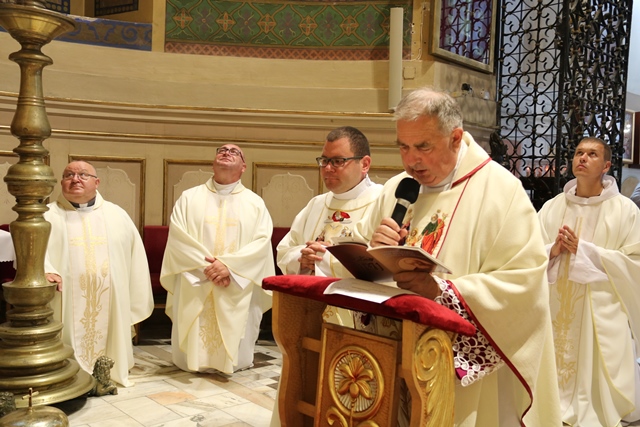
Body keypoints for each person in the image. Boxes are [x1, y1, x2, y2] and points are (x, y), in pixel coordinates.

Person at [355, 88, 561, 425]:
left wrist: (440, 291)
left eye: (423, 147)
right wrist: (375, 250)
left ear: (455, 138)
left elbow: (524, 284)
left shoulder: (500, 191)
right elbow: (364, 254)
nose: (411, 161)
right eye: (403, 147)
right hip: (395, 349)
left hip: (458, 363)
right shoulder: (397, 188)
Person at [538, 137, 640, 427]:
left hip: (599, 304)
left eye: (592, 154)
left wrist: (586, 251)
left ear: (606, 166)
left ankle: (595, 403)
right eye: (579, 153)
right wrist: (553, 250)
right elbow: (527, 252)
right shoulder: (552, 207)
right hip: (555, 301)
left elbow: (634, 262)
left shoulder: (625, 210)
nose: (582, 158)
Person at [160, 144, 274, 374]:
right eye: (221, 150)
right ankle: (191, 359)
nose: (226, 152)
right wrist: (211, 269)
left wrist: (230, 267)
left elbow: (261, 243)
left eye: (234, 152)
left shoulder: (255, 203)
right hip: (196, 278)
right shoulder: (189, 197)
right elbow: (179, 239)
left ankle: (233, 361)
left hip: (236, 280)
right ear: (213, 163)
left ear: (243, 167)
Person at [44, 160, 153, 387]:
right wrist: (45, 270)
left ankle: (108, 370)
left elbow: (135, 257)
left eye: (83, 175)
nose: (75, 179)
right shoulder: (46, 216)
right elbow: (30, 251)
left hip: (111, 300)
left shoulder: (116, 215)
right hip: (64, 297)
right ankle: (67, 374)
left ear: (97, 182)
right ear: (61, 182)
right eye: (69, 175)